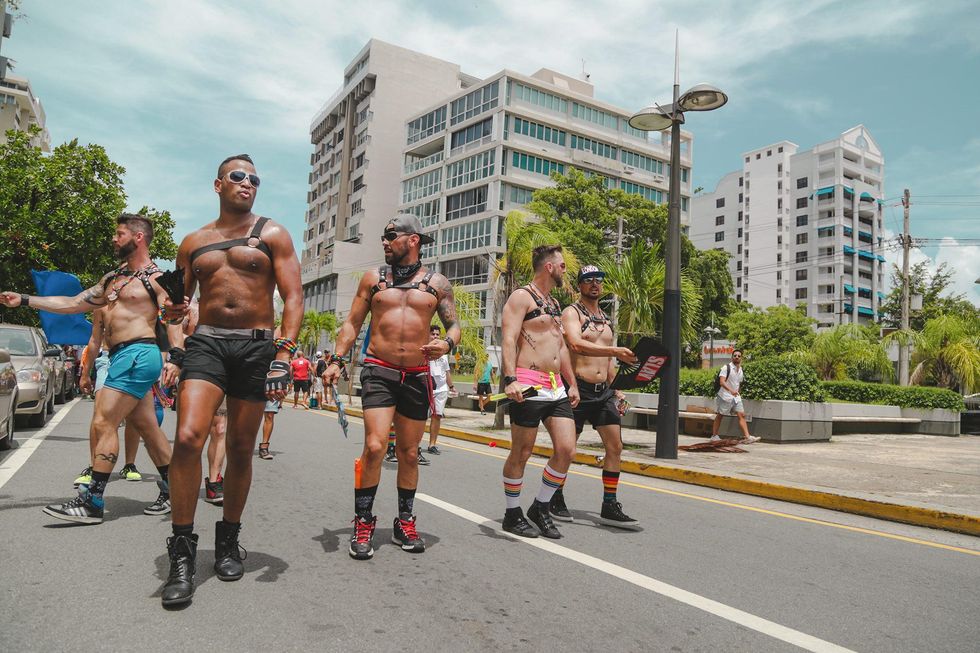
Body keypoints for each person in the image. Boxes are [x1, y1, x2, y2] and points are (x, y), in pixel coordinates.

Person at [160, 153, 302, 607]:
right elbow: (176, 306)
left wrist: (284, 353)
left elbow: (293, 296)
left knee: (241, 447)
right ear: (218, 184)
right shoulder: (193, 241)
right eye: (238, 176)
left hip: (257, 346)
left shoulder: (272, 233)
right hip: (207, 344)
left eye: (254, 178)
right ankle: (181, 552)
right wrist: (174, 323)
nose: (248, 183)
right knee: (187, 438)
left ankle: (227, 540)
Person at [1, 214, 183, 524]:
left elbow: (176, 316)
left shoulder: (156, 278)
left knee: (103, 420)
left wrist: (177, 357)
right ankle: (174, 491)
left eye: (119, 233)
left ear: (138, 238)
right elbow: (73, 303)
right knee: (148, 428)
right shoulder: (113, 278)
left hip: (139, 353)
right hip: (121, 356)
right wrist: (26, 299)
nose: (114, 239)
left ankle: (93, 500)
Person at [324, 214, 460, 561]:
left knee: (410, 453)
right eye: (383, 237)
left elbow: (454, 326)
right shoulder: (374, 279)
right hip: (379, 370)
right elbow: (353, 323)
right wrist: (337, 359)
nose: (384, 242)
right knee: (374, 445)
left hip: (416, 375)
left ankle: (405, 522)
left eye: (390, 236)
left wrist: (447, 344)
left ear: (412, 240)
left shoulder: (438, 284)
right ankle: (364, 521)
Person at [499, 244, 580, 540]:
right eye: (561, 265)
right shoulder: (522, 297)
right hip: (528, 382)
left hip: (556, 386)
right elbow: (508, 339)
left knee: (566, 450)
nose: (564, 270)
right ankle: (512, 513)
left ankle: (540, 507)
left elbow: (560, 346)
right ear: (548, 267)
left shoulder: (554, 303)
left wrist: (571, 383)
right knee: (522, 452)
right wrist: (510, 379)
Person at [557, 265, 640, 528]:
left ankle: (609, 504)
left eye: (599, 280)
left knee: (615, 447)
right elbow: (575, 344)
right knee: (566, 451)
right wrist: (616, 351)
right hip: (577, 390)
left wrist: (617, 390)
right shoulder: (572, 313)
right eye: (589, 280)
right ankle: (555, 496)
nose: (595, 284)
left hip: (602, 393)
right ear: (580, 285)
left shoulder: (604, 318)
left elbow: (608, 366)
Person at [711, 349, 759, 444]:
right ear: (732, 357)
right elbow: (722, 382)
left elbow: (739, 383)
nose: (737, 357)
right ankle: (714, 436)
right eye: (735, 355)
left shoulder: (740, 370)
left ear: (741, 358)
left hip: (735, 397)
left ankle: (747, 437)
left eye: (739, 356)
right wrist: (731, 391)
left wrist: (738, 392)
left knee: (741, 415)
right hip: (724, 396)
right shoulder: (726, 368)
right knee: (720, 415)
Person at [425, 325, 455, 456]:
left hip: (441, 389)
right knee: (420, 417)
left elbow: (447, 372)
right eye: (433, 334)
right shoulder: (423, 351)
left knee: (436, 416)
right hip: (426, 388)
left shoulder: (443, 354)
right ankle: (413, 445)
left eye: (437, 334)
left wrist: (451, 386)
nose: (435, 336)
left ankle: (432, 444)